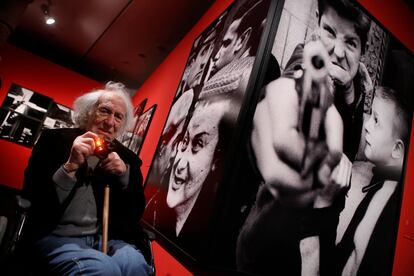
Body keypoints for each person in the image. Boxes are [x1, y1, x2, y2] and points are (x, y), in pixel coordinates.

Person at [236, 0, 371, 274]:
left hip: (317, 237)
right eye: (330, 32)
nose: (337, 51)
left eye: (351, 43)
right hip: (271, 246)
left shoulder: (355, 85)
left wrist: (352, 96)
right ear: (317, 23)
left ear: (363, 49)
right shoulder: (303, 65)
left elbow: (353, 153)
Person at [22, 82, 151, 275]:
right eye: (105, 111)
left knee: (136, 266)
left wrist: (124, 176)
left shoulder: (129, 159)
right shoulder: (53, 140)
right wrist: (70, 166)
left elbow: (135, 212)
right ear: (88, 112)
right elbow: (32, 194)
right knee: (102, 270)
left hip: (108, 238)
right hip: (56, 235)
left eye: (118, 117)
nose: (110, 122)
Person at [336, 86, 410, 276]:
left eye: (376, 120)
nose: (367, 125)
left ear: (397, 150)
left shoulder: (389, 197)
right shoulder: (380, 184)